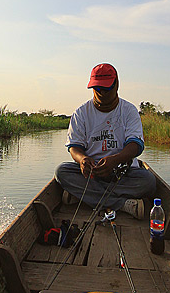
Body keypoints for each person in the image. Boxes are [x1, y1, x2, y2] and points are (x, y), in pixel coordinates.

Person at [55, 63, 156, 220]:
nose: (101, 93)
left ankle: (83, 196)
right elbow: (74, 147)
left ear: (116, 85)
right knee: (62, 172)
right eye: (97, 88)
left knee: (148, 181)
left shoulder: (129, 111)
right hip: (92, 175)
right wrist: (82, 160)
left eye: (106, 88)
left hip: (123, 172)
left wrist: (114, 161)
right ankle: (122, 204)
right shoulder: (81, 113)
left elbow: (136, 145)